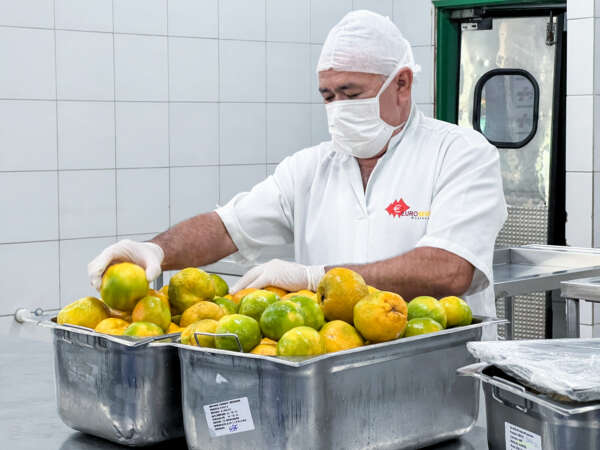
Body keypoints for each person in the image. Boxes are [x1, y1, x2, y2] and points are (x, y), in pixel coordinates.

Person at [88, 10, 507, 321]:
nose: (338, 107)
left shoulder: (460, 154)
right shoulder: (309, 168)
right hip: (332, 363)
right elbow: (226, 226)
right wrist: (155, 249)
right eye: (327, 96)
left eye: (350, 92)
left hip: (438, 371)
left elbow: (449, 268)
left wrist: (315, 277)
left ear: (401, 84)